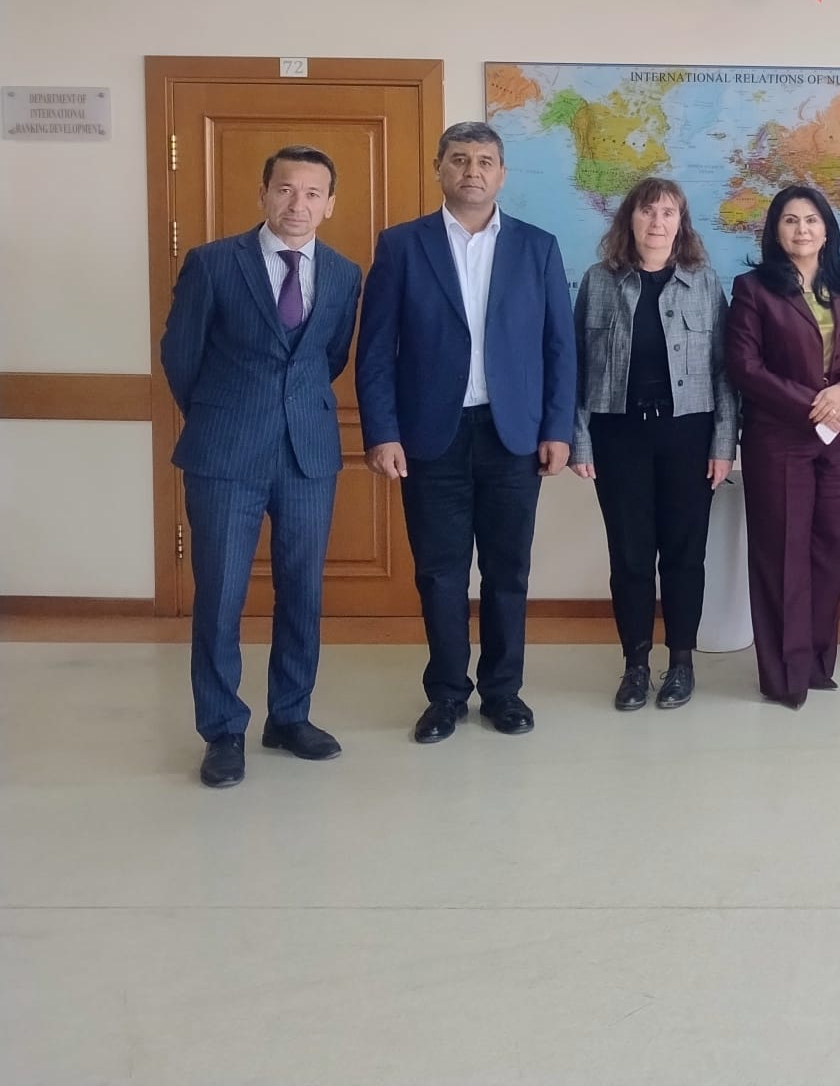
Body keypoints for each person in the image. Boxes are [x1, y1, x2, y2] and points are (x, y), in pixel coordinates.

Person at [357, 122, 575, 744]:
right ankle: (447, 694)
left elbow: (559, 348)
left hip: (514, 437)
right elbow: (376, 351)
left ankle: (504, 692)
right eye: (459, 160)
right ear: (439, 170)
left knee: (508, 572)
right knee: (440, 572)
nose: (472, 171)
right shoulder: (402, 245)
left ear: (502, 174)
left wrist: (557, 427)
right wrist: (383, 431)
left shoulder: (538, 247)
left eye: (485, 161)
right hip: (432, 436)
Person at [159, 146, 361, 788]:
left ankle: (289, 716)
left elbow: (327, 358)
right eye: (285, 189)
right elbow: (181, 356)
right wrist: (225, 412)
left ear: (330, 204)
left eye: (311, 193)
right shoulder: (214, 264)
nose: (296, 204)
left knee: (303, 589)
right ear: (263, 194)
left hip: (308, 454)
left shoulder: (344, 272)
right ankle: (222, 730)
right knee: (220, 595)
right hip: (224, 453)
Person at [569, 177, 738, 712]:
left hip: (689, 434)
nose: (657, 222)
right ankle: (636, 665)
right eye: (647, 212)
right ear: (629, 221)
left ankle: (682, 663)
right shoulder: (600, 282)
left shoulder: (706, 283)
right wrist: (580, 442)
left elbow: (724, 373)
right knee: (630, 554)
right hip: (618, 436)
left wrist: (723, 444)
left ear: (681, 223)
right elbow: (578, 365)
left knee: (686, 555)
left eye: (668, 213)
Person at [724, 186, 840, 709]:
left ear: (827, 228)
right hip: (780, 438)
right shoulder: (753, 289)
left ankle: (817, 662)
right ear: (774, 231)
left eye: (811, 220)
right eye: (790, 221)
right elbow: (745, 367)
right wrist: (812, 402)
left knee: (828, 548)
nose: (802, 230)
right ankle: (783, 674)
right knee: (781, 553)